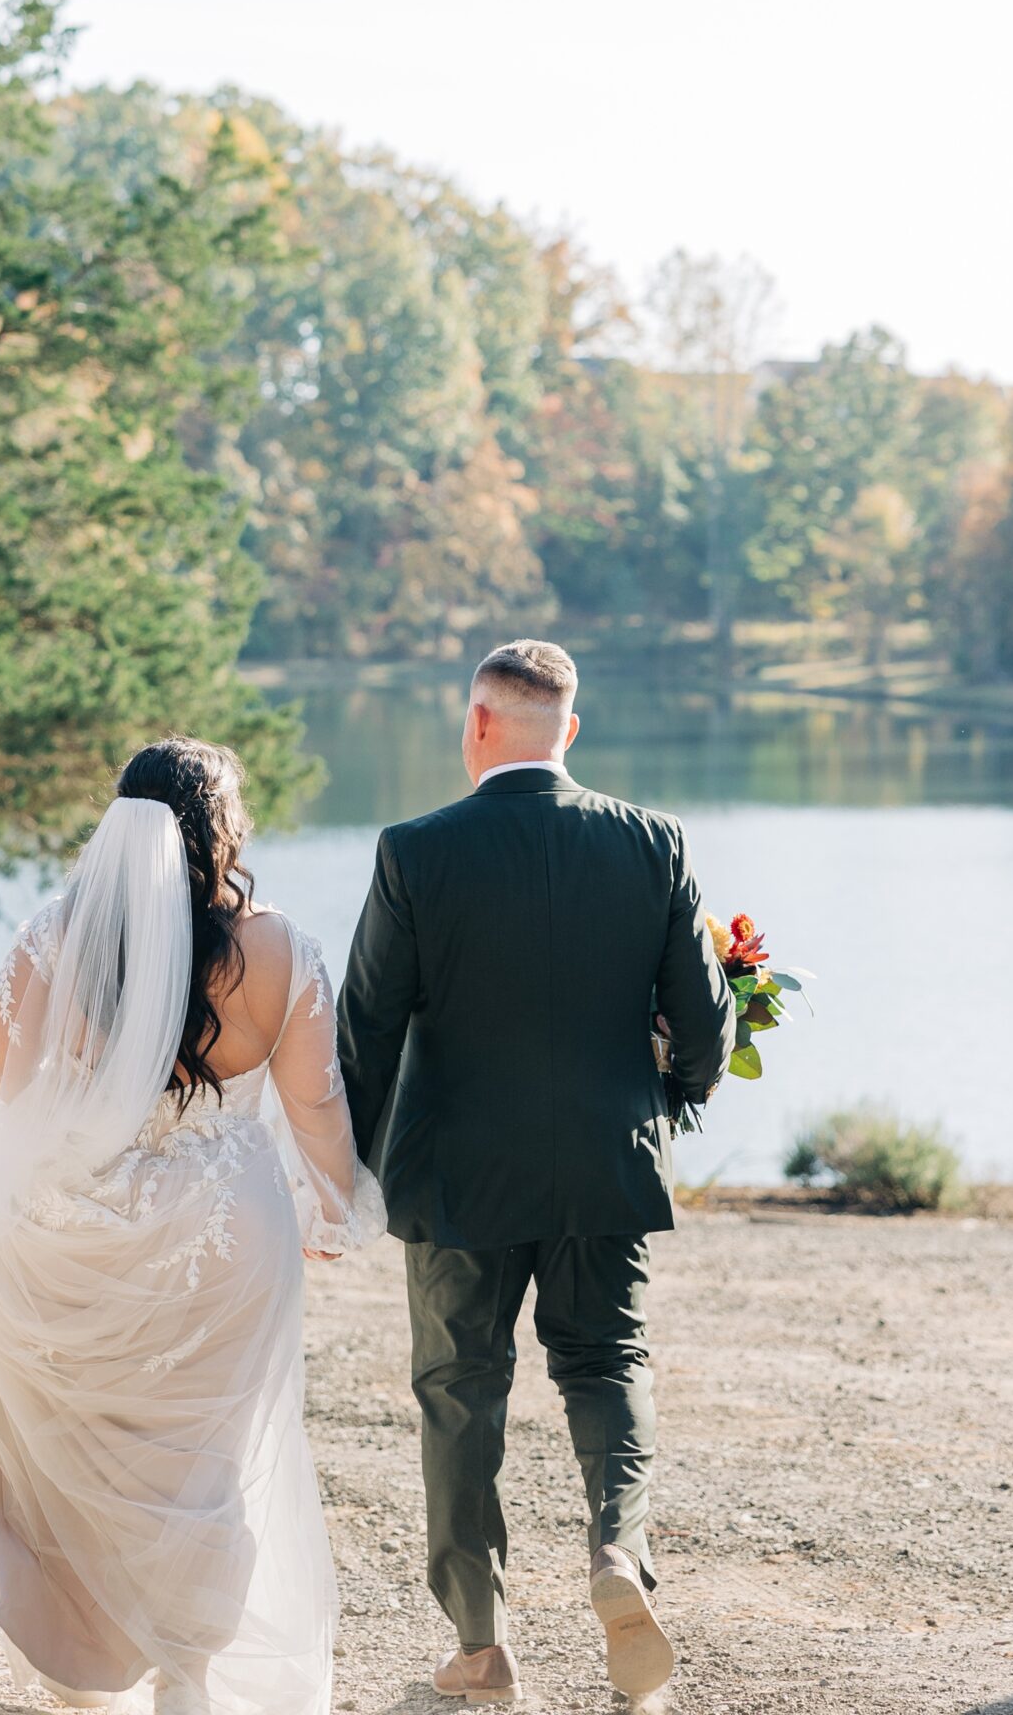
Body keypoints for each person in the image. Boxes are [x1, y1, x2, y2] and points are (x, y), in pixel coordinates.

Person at [0, 735, 383, 1715]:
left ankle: (86, 1666)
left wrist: (98, 1097)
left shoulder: (55, 935)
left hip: (76, 1226)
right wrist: (337, 1209)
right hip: (225, 1237)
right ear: (222, 830)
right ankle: (187, 1676)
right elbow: (319, 1106)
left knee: (81, 1446)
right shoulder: (278, 947)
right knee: (206, 1459)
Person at [337, 640, 735, 1707]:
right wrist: (669, 1096)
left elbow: (365, 1030)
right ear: (570, 727)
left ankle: (481, 1645)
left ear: (475, 725)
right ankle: (616, 1554)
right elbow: (701, 1021)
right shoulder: (650, 841)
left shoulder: (413, 852)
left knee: (460, 1393)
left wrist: (344, 1170)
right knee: (605, 1362)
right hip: (603, 1165)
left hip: (456, 1179)